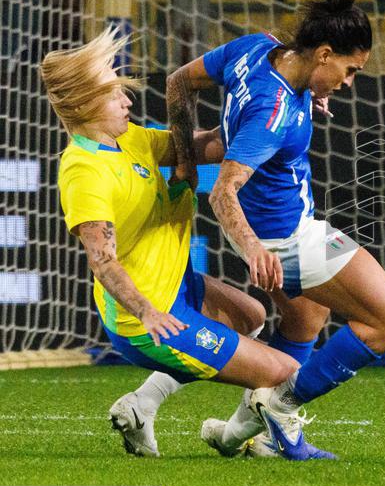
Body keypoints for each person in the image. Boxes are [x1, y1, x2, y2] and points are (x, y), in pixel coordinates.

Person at [165, 0, 385, 461]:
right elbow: (223, 192)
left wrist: (182, 156)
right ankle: (280, 405)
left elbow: (177, 82)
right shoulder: (274, 110)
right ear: (323, 54)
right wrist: (256, 249)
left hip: (280, 228)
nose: (349, 81)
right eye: (349, 69)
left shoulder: (256, 48)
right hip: (286, 239)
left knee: (305, 319)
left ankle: (243, 435)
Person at [43, 27, 305, 458]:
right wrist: (146, 311)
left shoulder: (127, 140)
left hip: (177, 286)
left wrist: (285, 109)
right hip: (145, 317)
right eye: (114, 95)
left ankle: (141, 406)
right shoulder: (84, 172)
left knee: (251, 315)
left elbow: (206, 146)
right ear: (83, 104)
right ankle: (237, 438)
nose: (128, 101)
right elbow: (102, 261)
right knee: (284, 374)